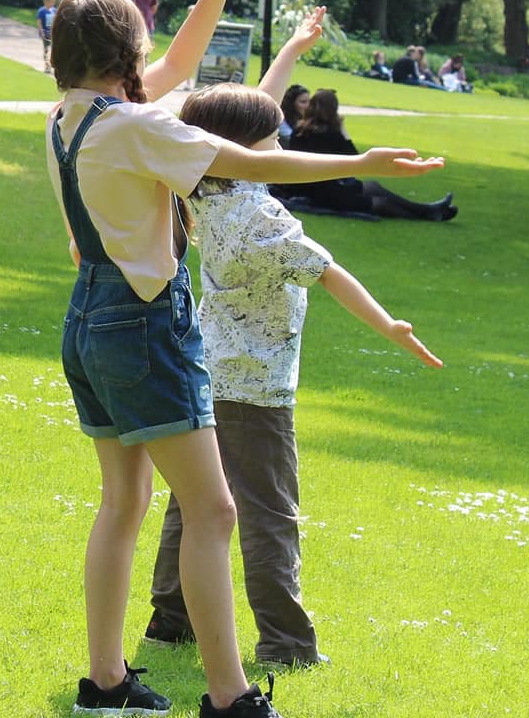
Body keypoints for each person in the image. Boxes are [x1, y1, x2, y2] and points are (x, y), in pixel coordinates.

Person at [44, 0, 444, 718]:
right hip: (142, 323)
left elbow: (179, 68)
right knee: (218, 510)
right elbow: (255, 162)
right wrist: (359, 163)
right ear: (125, 50)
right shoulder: (141, 126)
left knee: (123, 503)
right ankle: (230, 700)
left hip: (86, 315)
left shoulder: (69, 116)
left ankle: (106, 682)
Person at [148, 78, 442, 667]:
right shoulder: (262, 218)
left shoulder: (200, 193)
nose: (284, 150)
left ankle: (170, 620)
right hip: (258, 390)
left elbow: (229, 121)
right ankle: (286, 645)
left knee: (193, 501)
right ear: (245, 148)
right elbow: (328, 272)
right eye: (275, 140)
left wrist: (288, 56)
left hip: (206, 374)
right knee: (270, 512)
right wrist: (389, 326)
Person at [282, 91, 457, 220]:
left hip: (313, 186)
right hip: (325, 191)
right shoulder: (331, 134)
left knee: (372, 186)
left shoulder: (300, 130)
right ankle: (426, 213)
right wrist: (344, 131)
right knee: (379, 202)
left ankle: (429, 210)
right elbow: (355, 160)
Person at [37, 0, 58, 70]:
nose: (52, 3)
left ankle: (51, 63)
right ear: (46, 1)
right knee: (46, 48)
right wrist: (41, 31)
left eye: (53, 2)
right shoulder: (42, 11)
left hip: (52, 33)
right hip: (45, 33)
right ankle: (46, 64)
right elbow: (39, 22)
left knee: (53, 49)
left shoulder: (54, 11)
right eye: (51, 2)